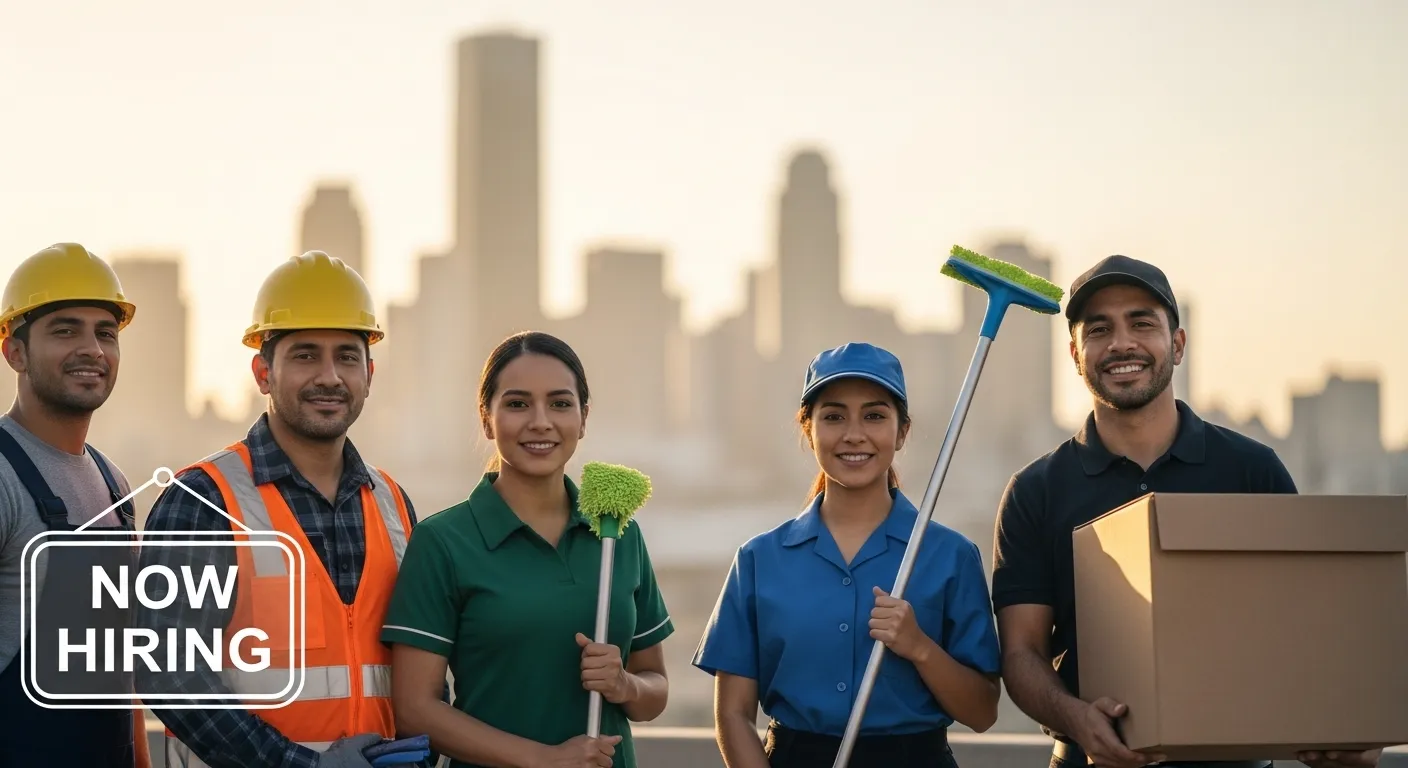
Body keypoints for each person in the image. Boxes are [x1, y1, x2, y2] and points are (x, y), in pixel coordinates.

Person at [991, 255, 1381, 768]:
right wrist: (1075, 717)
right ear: (1075, 354)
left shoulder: (1252, 471)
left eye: (1142, 323)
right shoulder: (1034, 491)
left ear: (1177, 344)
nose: (1121, 343)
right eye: (1099, 329)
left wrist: (1344, 723)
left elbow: (1307, 624)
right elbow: (1021, 653)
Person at [137, 251, 424, 768]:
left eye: (347, 356)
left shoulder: (394, 506)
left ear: (370, 373)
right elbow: (168, 672)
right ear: (263, 372)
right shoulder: (203, 501)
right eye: (306, 355)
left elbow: (418, 671)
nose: (330, 376)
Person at [692, 341, 1002, 768]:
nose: (854, 434)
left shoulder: (951, 556)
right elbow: (733, 714)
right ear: (809, 429)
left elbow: (983, 712)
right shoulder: (759, 560)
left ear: (902, 431)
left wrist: (919, 647)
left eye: (874, 416)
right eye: (834, 416)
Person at [381, 330, 675, 768]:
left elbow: (655, 692)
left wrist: (624, 685)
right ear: (486, 418)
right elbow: (414, 711)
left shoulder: (618, 534)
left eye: (560, 403)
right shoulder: (443, 542)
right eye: (517, 404)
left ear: (584, 416)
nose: (541, 422)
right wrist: (543, 759)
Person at [0, 243, 151, 768]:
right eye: (65, 330)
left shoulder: (116, 486)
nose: (92, 348)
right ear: (14, 352)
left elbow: (121, 669)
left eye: (105, 333)